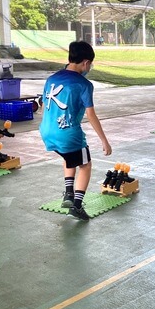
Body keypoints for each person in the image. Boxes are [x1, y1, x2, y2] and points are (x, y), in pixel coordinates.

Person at [39, 40, 112, 221]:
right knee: (85, 165)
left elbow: (43, 104)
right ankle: (77, 206)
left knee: (68, 157)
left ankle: (69, 194)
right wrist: (104, 140)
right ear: (86, 62)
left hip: (47, 131)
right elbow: (91, 115)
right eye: (90, 64)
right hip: (68, 134)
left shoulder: (52, 78)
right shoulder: (84, 84)